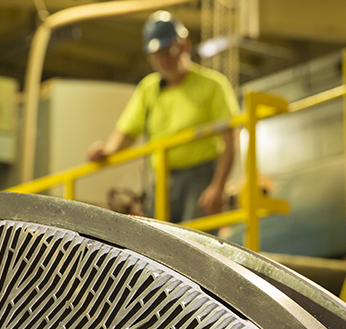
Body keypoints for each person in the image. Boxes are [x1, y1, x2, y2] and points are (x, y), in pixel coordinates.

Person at [87, 10, 239, 224]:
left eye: (168, 51)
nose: (163, 60)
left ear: (184, 46)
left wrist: (218, 186)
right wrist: (108, 150)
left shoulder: (213, 85)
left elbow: (230, 140)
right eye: (156, 54)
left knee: (193, 245)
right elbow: (127, 132)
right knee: (160, 249)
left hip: (200, 178)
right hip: (161, 181)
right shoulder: (148, 89)